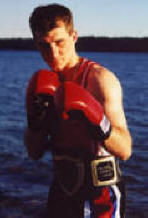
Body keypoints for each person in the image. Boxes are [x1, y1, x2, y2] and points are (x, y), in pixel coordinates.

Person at [24, 3, 132, 218]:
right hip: (62, 189)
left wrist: (97, 121)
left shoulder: (99, 80)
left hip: (101, 192)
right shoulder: (42, 85)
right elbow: (34, 153)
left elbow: (125, 150)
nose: (53, 53)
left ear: (74, 36)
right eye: (44, 45)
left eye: (59, 42)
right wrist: (36, 123)